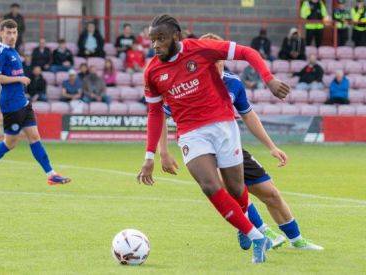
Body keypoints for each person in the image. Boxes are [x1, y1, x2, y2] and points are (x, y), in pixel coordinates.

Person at [137, 14, 290, 264]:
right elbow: (155, 113)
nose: (156, 45)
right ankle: (256, 236)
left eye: (161, 39)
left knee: (237, 189)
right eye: (152, 40)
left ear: (176, 36)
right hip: (191, 133)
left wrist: (268, 79)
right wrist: (150, 156)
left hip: (223, 127)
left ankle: (243, 226)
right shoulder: (152, 71)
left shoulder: (202, 49)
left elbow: (248, 52)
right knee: (209, 185)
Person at [159, 33, 323, 251]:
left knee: (270, 193)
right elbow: (159, 115)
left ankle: (297, 240)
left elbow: (248, 114)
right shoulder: (186, 84)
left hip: (229, 143)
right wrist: (163, 151)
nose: (214, 65)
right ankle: (261, 231)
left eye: (217, 61)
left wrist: (271, 146)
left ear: (223, 59)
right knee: (228, 188)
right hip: (202, 148)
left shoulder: (233, 83)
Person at [0, 19, 70, 189]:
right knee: (10, 143)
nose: (11, 36)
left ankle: (51, 175)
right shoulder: (0, 52)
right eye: (8, 32)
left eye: (14, 32)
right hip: (11, 104)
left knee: (34, 137)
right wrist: (19, 78)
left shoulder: (14, 52)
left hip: (23, 102)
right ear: (1, 33)